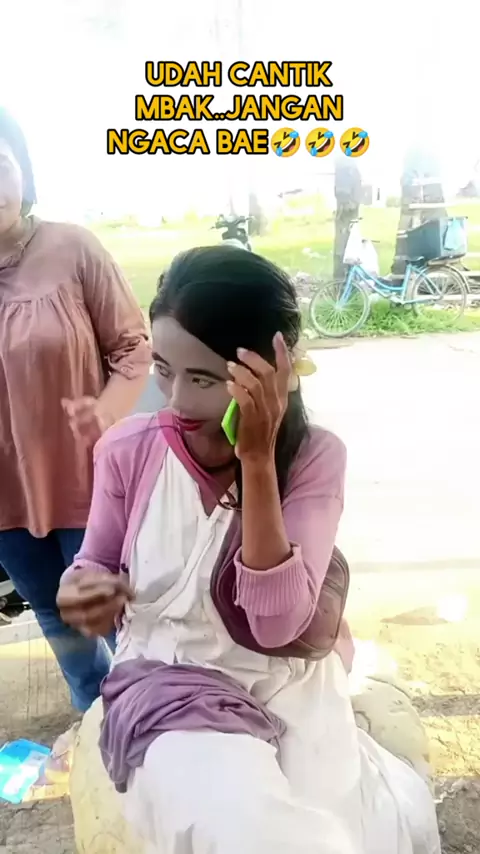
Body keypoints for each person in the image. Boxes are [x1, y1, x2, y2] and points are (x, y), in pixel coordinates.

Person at [57, 246, 440, 853]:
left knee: (342, 827)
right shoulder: (129, 450)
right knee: (248, 828)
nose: (177, 401)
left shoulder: (314, 459)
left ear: (274, 370)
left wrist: (257, 462)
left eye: (204, 379)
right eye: (164, 370)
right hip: (171, 681)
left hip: (289, 683)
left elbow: (277, 623)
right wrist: (82, 587)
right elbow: (96, 561)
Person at [0, 108, 151, 712]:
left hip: (87, 474)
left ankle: (156, 714)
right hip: (6, 494)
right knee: (52, 613)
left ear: (23, 170)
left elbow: (133, 347)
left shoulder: (72, 248)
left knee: (114, 615)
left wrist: (107, 413)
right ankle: (94, 718)